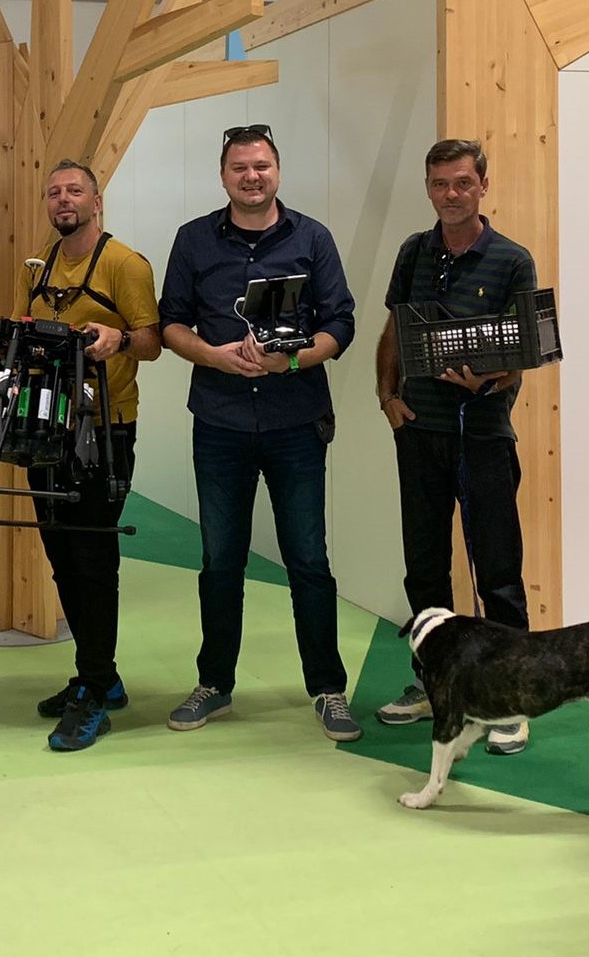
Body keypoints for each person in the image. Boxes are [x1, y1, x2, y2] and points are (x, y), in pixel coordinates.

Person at [157, 124, 361, 742]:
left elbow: (341, 324)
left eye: (262, 166)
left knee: (309, 559)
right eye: (240, 167)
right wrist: (214, 356)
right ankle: (214, 683)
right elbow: (171, 324)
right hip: (219, 422)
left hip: (295, 421)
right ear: (224, 176)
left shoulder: (312, 238)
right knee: (220, 560)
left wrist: (292, 361)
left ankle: (327, 687)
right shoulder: (193, 240)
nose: (252, 176)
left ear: (277, 171)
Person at [372, 139, 539, 755]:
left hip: (484, 435)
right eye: (440, 183)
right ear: (428, 188)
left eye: (463, 183)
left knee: (497, 571)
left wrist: (490, 379)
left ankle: (511, 696)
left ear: (482, 186)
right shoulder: (413, 252)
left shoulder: (513, 260)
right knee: (424, 566)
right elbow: (395, 328)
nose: (451, 194)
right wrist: (387, 396)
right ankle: (433, 683)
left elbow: (524, 354)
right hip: (419, 432)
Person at [18, 159, 162, 751]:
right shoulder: (40, 264)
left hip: (105, 430)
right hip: (46, 427)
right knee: (61, 556)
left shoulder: (125, 264)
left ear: (96, 201)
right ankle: (96, 674)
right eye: (54, 192)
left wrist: (118, 339)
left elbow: (152, 342)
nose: (63, 200)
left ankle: (95, 689)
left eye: (74, 190)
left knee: (94, 560)